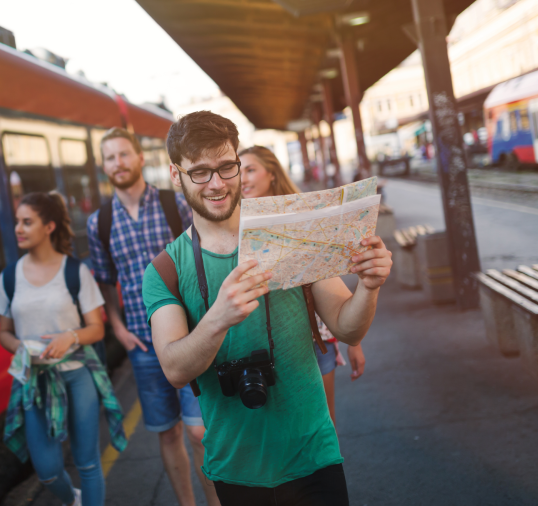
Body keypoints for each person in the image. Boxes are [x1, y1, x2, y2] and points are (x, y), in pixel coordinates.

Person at [143, 111, 392, 505]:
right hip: (235, 466)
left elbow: (348, 327)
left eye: (227, 167)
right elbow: (174, 368)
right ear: (176, 175)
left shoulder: (289, 233)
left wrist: (369, 286)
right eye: (201, 173)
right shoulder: (165, 270)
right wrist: (218, 319)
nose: (218, 184)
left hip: (313, 455)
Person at [86, 127, 220, 506]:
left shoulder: (172, 204)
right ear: (103, 166)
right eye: (110, 157)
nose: (118, 163)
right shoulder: (100, 222)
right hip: (142, 344)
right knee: (167, 432)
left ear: (140, 158)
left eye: (124, 154)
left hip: (186, 331)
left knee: (199, 431)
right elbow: (106, 281)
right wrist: (117, 327)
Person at [0, 192, 126, 506]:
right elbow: (4, 333)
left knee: (89, 462)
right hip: (35, 381)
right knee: (48, 472)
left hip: (77, 375)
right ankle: (73, 499)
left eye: (27, 222)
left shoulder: (75, 272)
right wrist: (21, 349)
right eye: (17, 222)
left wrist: (70, 337)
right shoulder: (10, 277)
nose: (19, 229)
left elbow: (96, 328)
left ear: (49, 226)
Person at [238, 145, 366, 425]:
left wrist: (354, 342)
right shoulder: (235, 223)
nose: (242, 178)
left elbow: (329, 275)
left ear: (271, 174)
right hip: (267, 343)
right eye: (238, 171)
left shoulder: (303, 215)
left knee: (323, 424)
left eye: (250, 169)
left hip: (316, 338)